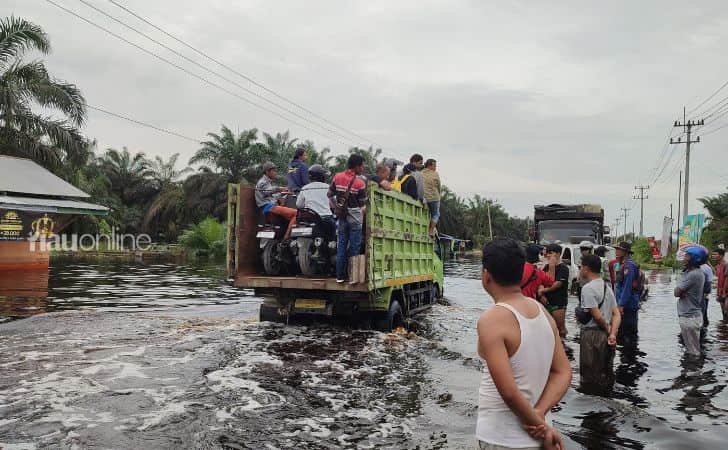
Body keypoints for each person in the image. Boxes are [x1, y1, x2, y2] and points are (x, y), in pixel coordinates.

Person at [476, 238, 571, 450]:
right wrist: (540, 416)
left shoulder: (492, 319)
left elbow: (509, 392)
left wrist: (537, 423)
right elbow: (563, 372)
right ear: (521, 273)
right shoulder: (542, 313)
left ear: (486, 275)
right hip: (539, 436)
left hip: (502, 438)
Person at [578, 254, 621, 394]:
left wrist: (609, 330)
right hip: (606, 336)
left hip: (592, 336)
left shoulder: (588, 289)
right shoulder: (606, 287)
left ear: (586, 268)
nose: (579, 270)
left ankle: (592, 408)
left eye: (580, 267)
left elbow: (597, 316)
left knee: (589, 375)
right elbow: (616, 314)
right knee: (606, 372)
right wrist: (613, 334)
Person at [328, 154, 367, 283]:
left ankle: (340, 277)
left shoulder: (337, 177)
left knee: (341, 246)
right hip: (355, 217)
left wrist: (336, 207)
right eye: (362, 165)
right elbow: (362, 204)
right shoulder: (360, 183)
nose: (363, 168)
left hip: (342, 216)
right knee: (355, 248)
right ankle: (353, 277)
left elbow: (330, 194)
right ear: (356, 166)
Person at [674, 246, 709, 357]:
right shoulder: (696, 273)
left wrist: (681, 286)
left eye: (687, 256)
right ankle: (691, 371)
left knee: (693, 351)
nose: (684, 258)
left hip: (690, 317)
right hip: (690, 316)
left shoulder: (693, 274)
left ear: (694, 258)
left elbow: (676, 292)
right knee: (691, 349)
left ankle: (694, 372)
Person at [255, 162, 297, 239]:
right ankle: (286, 238)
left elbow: (272, 196)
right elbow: (267, 191)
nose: (275, 173)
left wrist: (284, 193)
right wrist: (279, 189)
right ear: (267, 171)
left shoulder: (267, 182)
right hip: (269, 207)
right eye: (274, 171)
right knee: (296, 213)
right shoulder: (262, 182)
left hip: (269, 208)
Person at [539, 243, 570, 337]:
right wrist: (542, 295)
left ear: (558, 254)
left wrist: (542, 291)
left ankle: (563, 347)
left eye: (550, 253)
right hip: (546, 301)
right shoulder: (546, 267)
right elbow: (541, 282)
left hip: (559, 302)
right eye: (547, 253)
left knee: (561, 328)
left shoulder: (563, 268)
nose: (548, 255)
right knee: (548, 328)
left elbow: (556, 284)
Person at [614, 241, 640, 348]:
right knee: (623, 333)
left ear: (625, 252)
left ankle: (629, 356)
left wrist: (621, 304)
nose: (616, 252)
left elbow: (627, 287)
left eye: (618, 250)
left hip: (627, 306)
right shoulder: (623, 265)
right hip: (625, 305)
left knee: (628, 334)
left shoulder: (629, 266)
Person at [296, 164, 334, 229]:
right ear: (322, 176)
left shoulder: (305, 188)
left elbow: (299, 205)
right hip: (326, 218)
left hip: (310, 218)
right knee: (333, 234)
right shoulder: (328, 187)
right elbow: (333, 203)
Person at [422, 159, 441, 236]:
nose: (435, 167)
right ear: (430, 166)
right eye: (434, 166)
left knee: (427, 212)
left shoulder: (421, 172)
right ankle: (431, 230)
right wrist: (439, 195)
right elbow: (439, 186)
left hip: (424, 198)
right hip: (434, 198)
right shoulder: (435, 174)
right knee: (436, 214)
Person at [712, 247, 728, 321]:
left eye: (715, 254)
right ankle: (724, 331)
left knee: (726, 311)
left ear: (721, 256)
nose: (713, 256)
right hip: (721, 292)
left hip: (726, 293)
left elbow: (727, 278)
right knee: (724, 314)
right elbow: (716, 275)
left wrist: (724, 292)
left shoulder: (726, 265)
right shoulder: (718, 266)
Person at [700, 262, 713, 330]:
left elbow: (709, 282)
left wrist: (705, 294)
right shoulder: (694, 268)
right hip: (698, 296)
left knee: (703, 315)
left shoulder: (706, 268)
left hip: (703, 295)